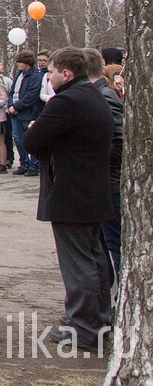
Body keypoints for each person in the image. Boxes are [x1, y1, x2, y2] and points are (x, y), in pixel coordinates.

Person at [23, 47, 114, 352]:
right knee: (94, 260)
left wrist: (36, 128)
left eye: (51, 72)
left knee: (79, 265)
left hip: (70, 193)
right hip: (90, 192)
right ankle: (98, 320)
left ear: (67, 73)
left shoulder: (67, 102)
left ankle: (84, 329)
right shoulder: (95, 96)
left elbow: (33, 142)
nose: (47, 77)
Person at [84, 48, 123, 290]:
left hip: (109, 184)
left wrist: (101, 173)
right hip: (103, 183)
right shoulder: (98, 94)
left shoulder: (104, 96)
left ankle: (120, 301)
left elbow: (116, 141)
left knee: (114, 243)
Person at [8, 50, 45, 177]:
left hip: (28, 113)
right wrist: (10, 105)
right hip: (15, 114)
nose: (18, 64)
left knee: (30, 139)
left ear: (27, 62)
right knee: (18, 139)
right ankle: (24, 163)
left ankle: (34, 165)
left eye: (20, 62)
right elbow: (12, 92)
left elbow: (31, 95)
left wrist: (17, 106)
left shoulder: (36, 76)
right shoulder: (19, 74)